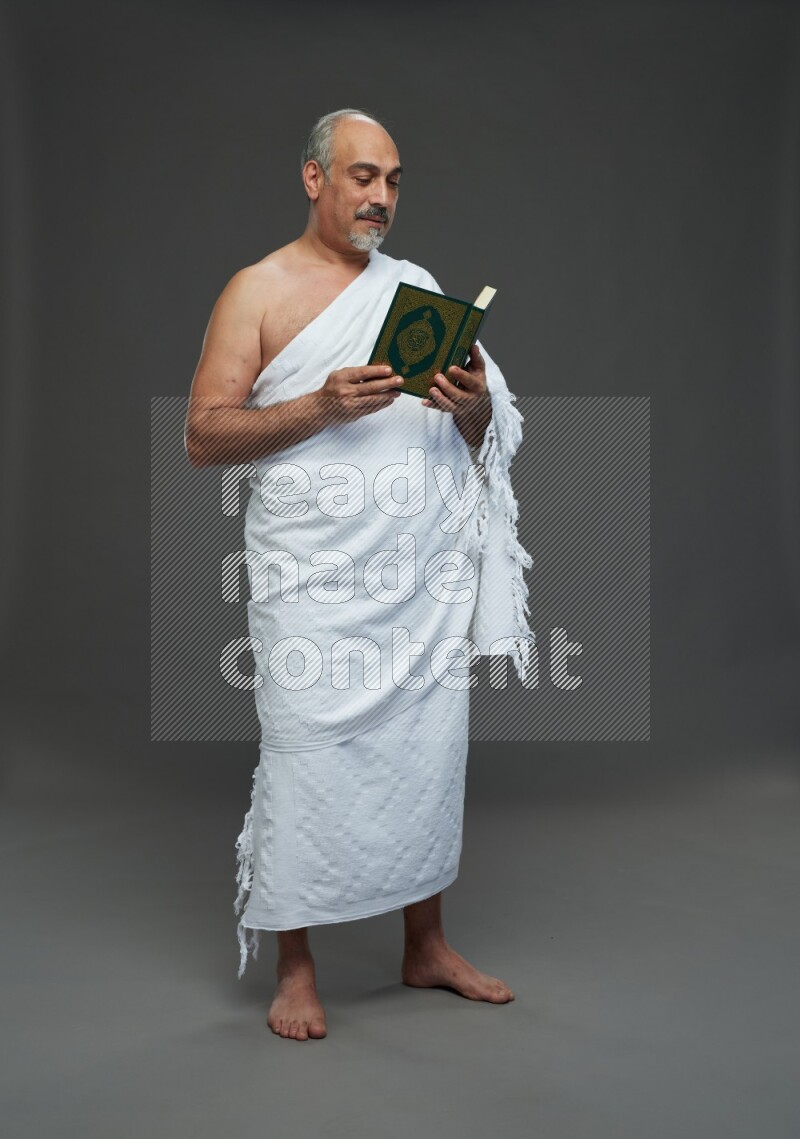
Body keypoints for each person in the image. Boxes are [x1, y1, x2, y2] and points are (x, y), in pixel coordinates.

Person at [185, 108, 533, 1041]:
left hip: (418, 578)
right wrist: (319, 406)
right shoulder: (256, 290)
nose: (381, 196)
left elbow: (482, 438)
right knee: (304, 754)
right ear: (314, 179)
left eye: (393, 180)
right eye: (362, 176)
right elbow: (203, 436)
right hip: (312, 576)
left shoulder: (416, 289)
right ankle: (296, 966)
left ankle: (426, 944)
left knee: (426, 752)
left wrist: (470, 406)